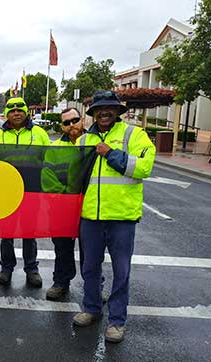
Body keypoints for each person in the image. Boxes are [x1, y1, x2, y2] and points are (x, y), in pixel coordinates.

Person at [72, 91, 155, 343]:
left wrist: (110, 153)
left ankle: (117, 321)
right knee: (89, 268)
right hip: (90, 217)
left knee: (122, 272)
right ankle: (91, 309)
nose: (104, 112)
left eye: (109, 108)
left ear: (118, 111)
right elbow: (72, 174)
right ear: (93, 113)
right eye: (99, 109)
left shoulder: (134, 135)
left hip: (122, 217)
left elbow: (144, 168)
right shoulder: (84, 139)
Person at [0, 97, 51, 288]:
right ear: (7, 113)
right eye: (12, 110)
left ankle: (31, 269)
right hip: (6, 193)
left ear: (26, 112)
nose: (16, 113)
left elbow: (49, 161)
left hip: (31, 193)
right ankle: (6, 268)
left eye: (20, 110)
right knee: (6, 233)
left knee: (29, 233)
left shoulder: (40, 134)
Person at [45, 107, 85, 300]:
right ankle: (61, 282)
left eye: (74, 120)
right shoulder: (54, 149)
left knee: (91, 251)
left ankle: (94, 286)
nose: (71, 126)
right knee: (62, 249)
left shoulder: (94, 145)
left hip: (90, 208)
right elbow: (47, 177)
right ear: (62, 126)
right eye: (66, 123)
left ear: (82, 120)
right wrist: (68, 196)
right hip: (61, 208)